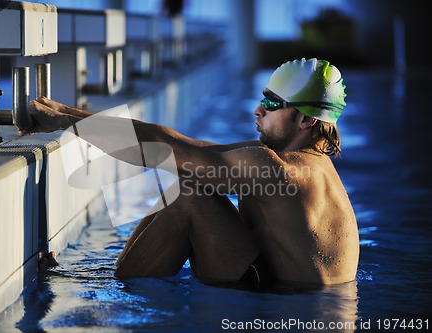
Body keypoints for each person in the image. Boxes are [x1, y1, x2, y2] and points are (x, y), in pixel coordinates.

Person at [22, 58, 359, 287]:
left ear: (306, 120)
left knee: (190, 197)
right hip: (297, 298)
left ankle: (115, 283)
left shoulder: (279, 170)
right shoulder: (302, 164)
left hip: (282, 306)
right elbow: (184, 145)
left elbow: (162, 152)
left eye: (272, 104)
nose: (258, 109)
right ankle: (121, 273)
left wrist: (64, 123)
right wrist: (64, 112)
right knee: (190, 175)